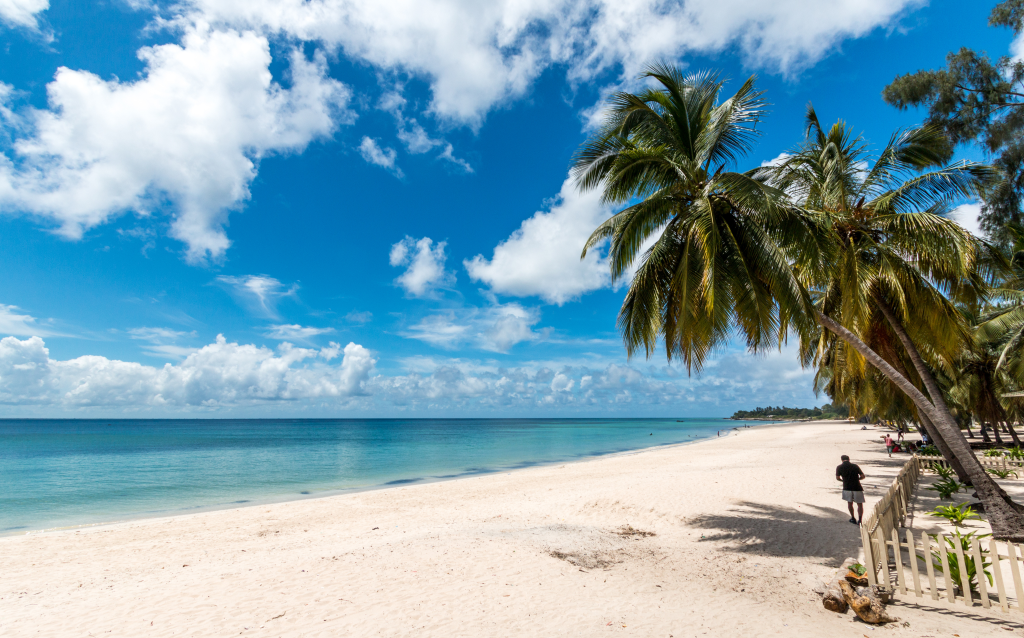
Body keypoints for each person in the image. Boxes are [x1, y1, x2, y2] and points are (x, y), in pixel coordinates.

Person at [836, 454, 866, 525]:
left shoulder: (839, 467)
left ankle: (853, 518)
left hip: (847, 487)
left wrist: (843, 481)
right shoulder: (855, 466)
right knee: (860, 504)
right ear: (849, 459)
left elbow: (838, 478)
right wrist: (858, 479)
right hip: (857, 487)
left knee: (850, 503)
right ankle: (860, 519)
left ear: (842, 460)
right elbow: (863, 476)